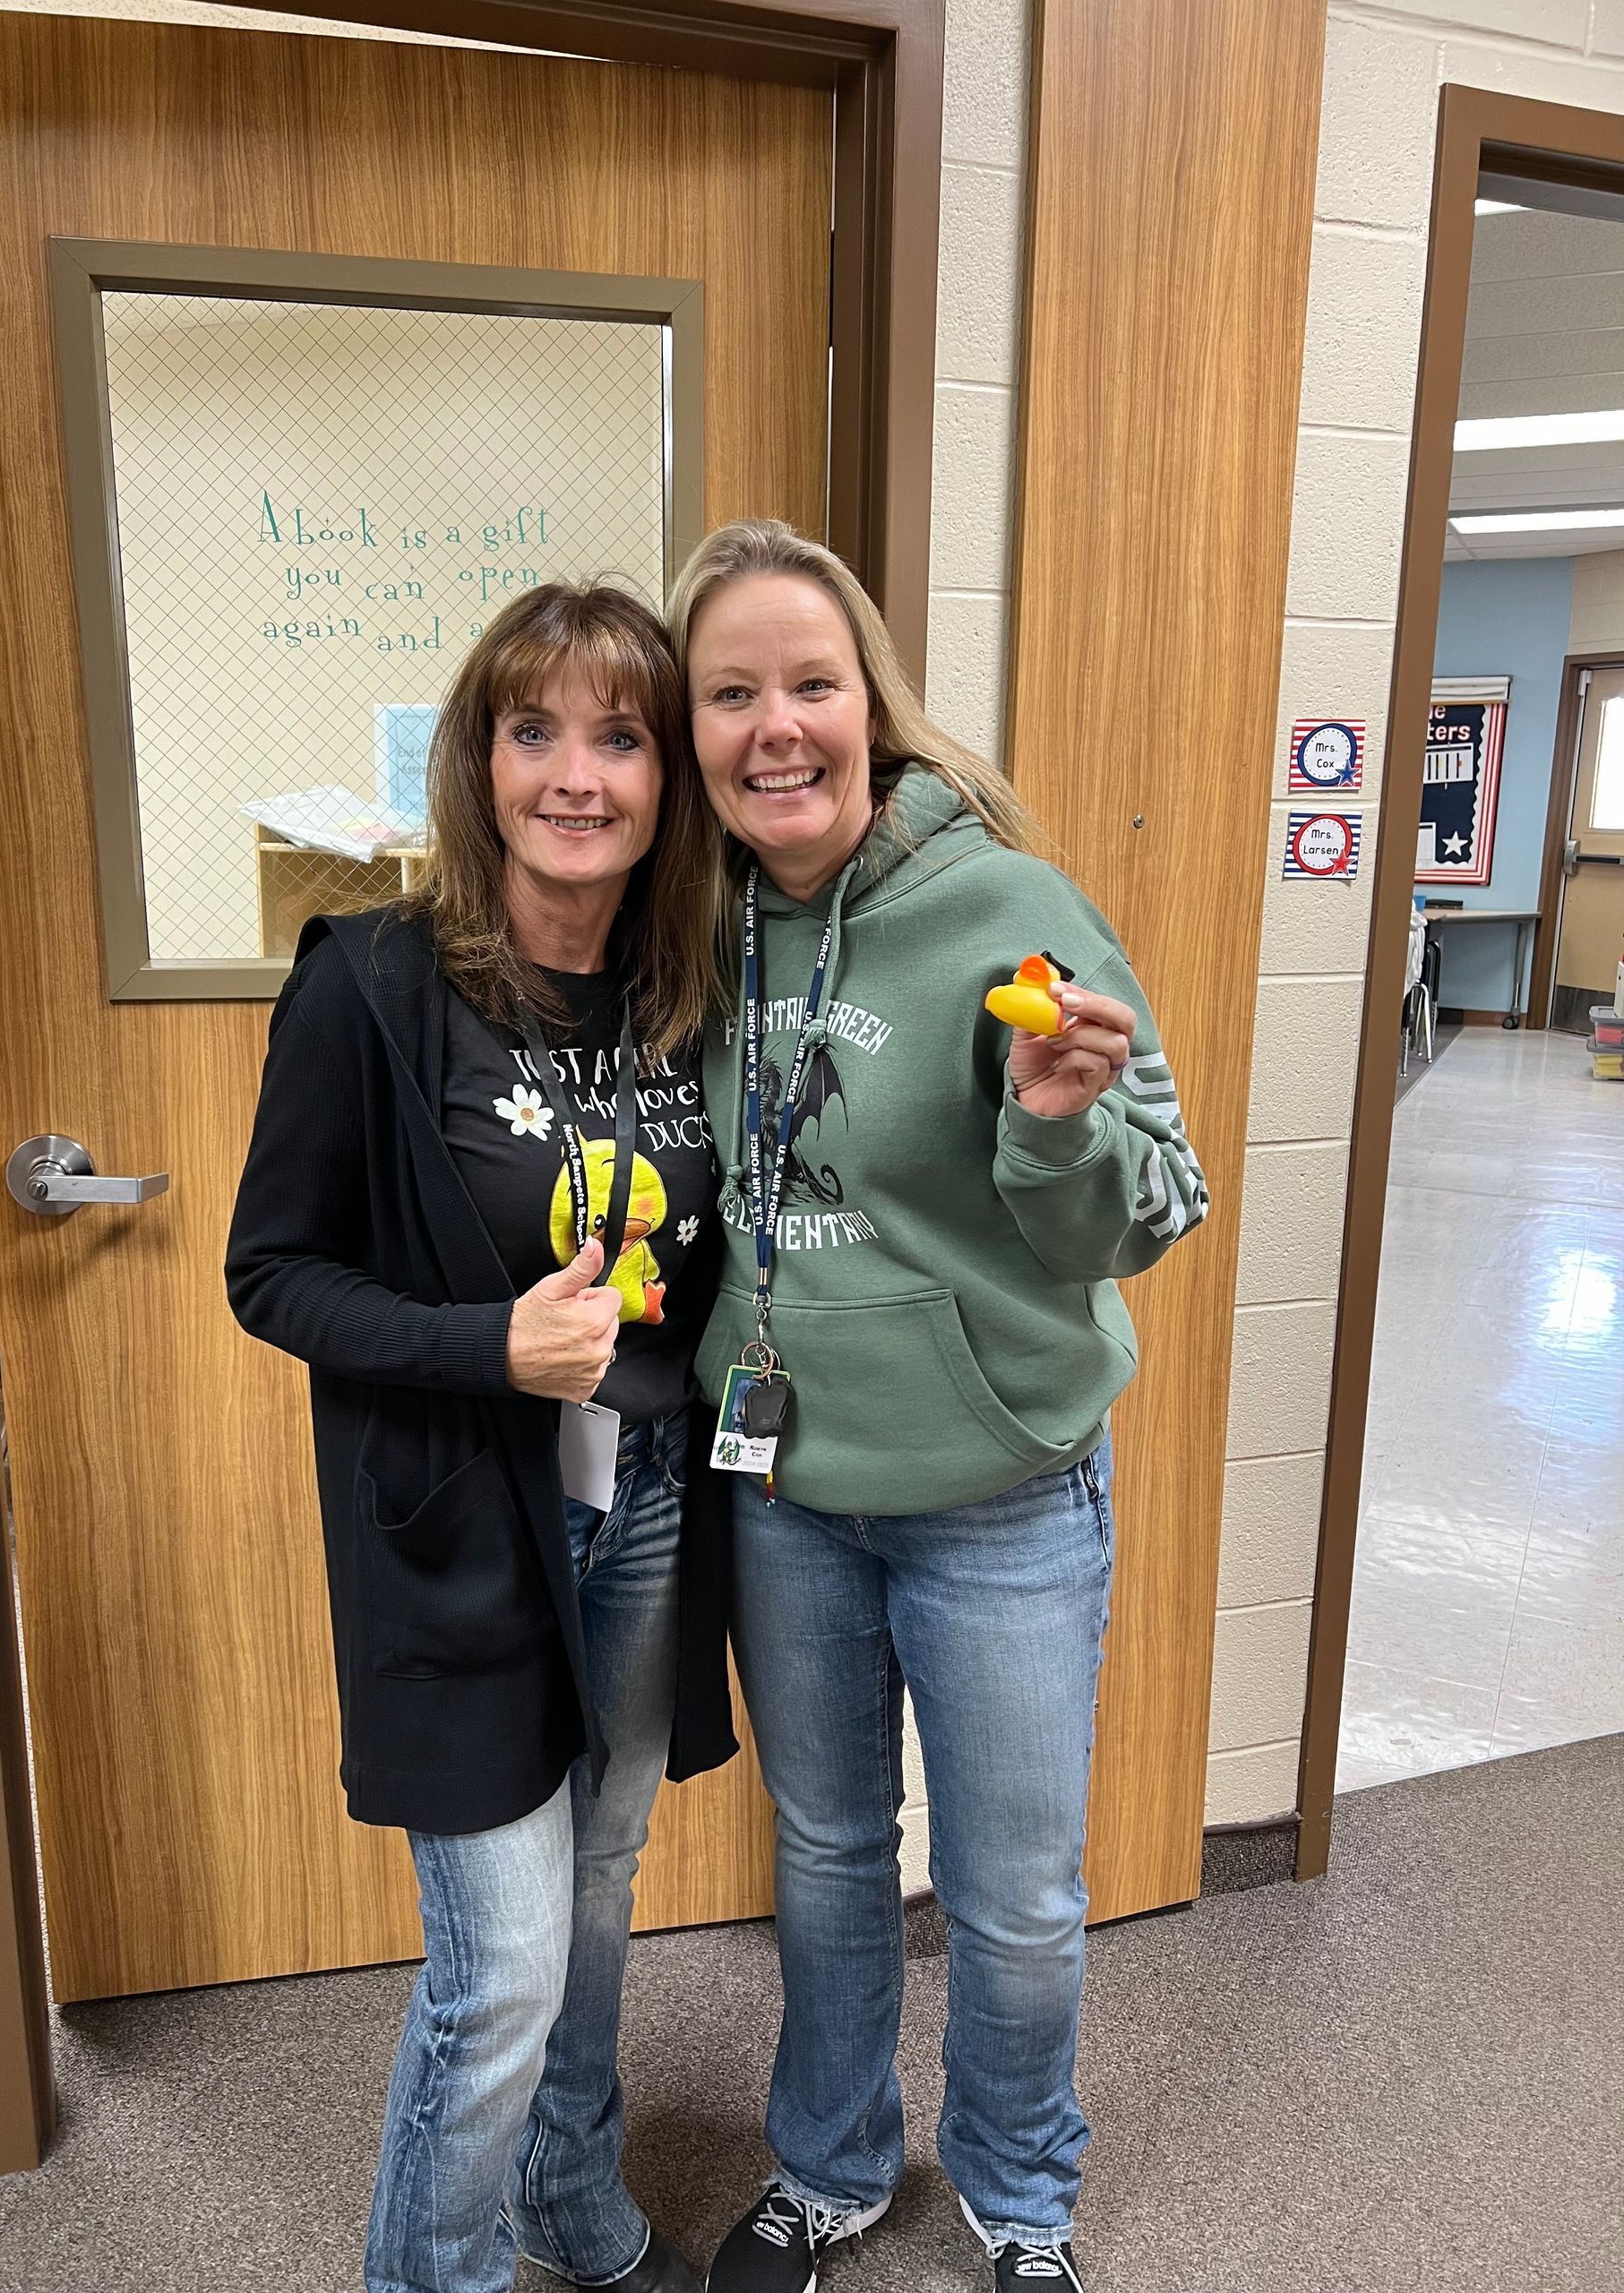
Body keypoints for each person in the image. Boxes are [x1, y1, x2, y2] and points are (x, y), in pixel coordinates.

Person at [666, 522, 1210, 2293]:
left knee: (1018, 1895)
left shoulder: (1007, 904)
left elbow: (1147, 1208)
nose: (777, 727)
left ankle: (1021, 2188)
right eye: (730, 691)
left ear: (873, 703)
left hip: (999, 1489)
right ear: (690, 728)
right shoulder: (696, 921)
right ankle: (826, 2164)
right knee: (826, 1860)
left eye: (811, 684)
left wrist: (1051, 1119)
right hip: (785, 1486)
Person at [226, 582, 732, 2293]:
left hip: (651, 1509)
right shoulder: (372, 985)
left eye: (621, 737)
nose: (576, 776)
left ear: (669, 778)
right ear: (480, 757)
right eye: (536, 733)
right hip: (464, 1528)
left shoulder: (689, 994)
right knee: (500, 1970)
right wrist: (485, 1346)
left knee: (600, 1894)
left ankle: (571, 2206)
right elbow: (272, 1274)